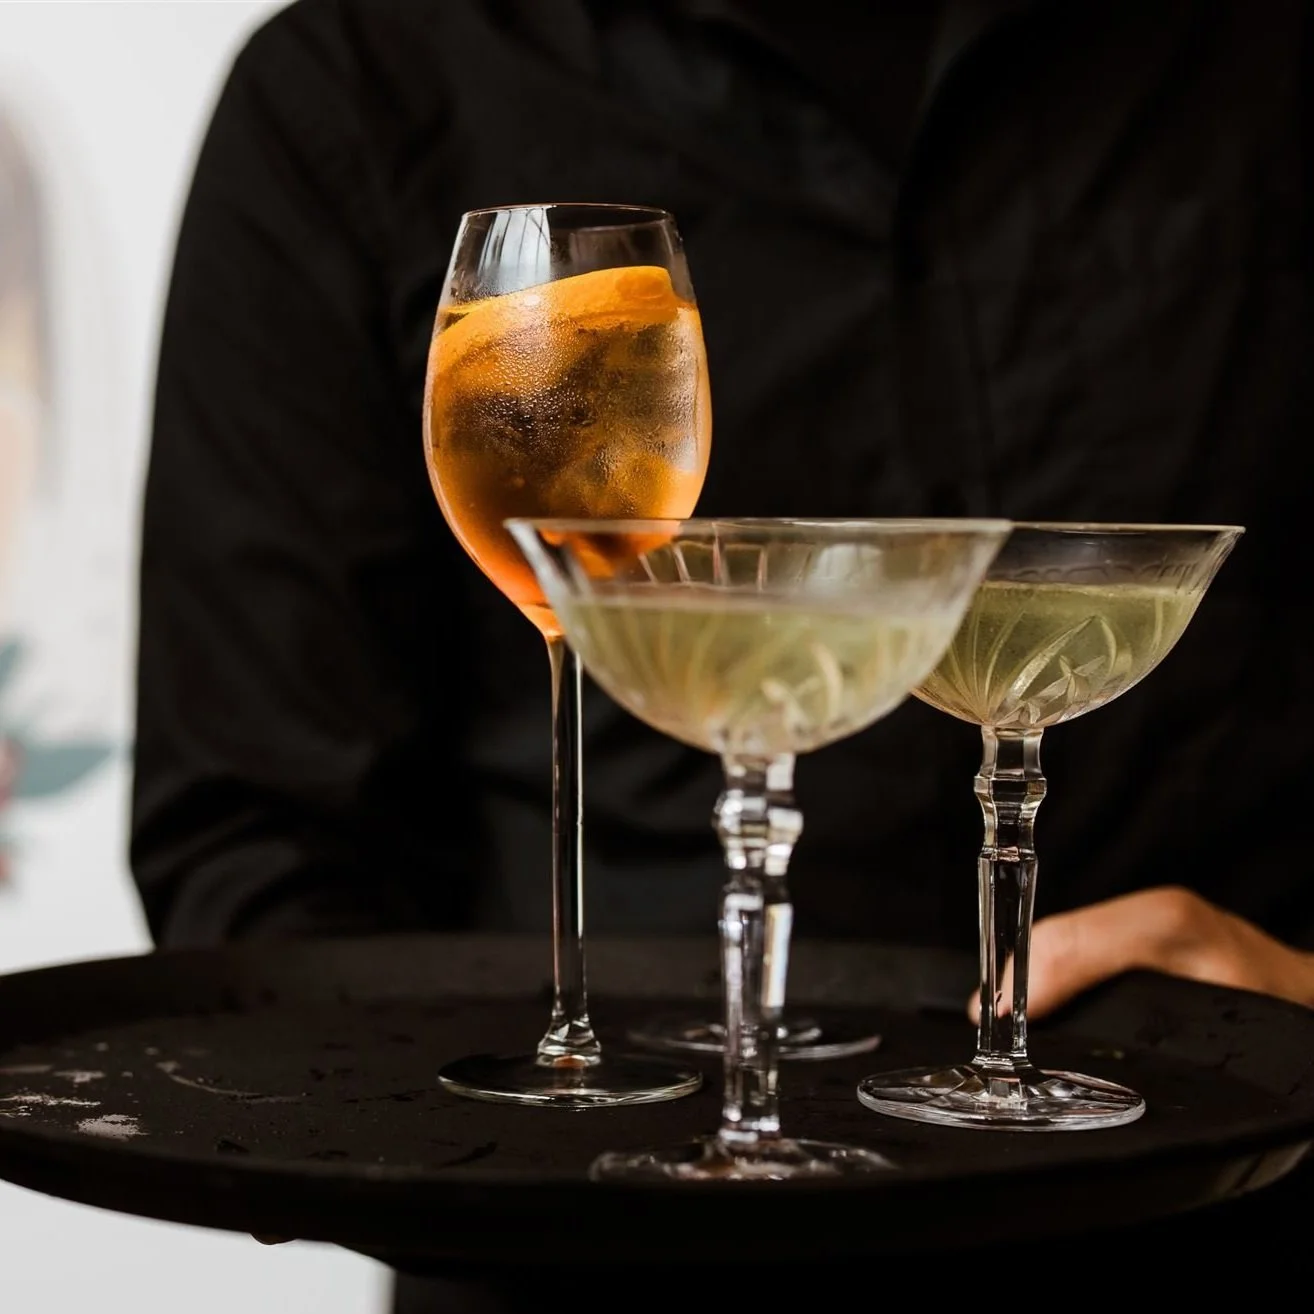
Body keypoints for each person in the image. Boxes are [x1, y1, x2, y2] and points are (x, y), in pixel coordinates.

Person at [129, 0, 1314, 1305]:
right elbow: (254, 838)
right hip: (583, 1267)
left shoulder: (1269, 57)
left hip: (1213, 1219)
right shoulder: (362, 80)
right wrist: (503, 1131)